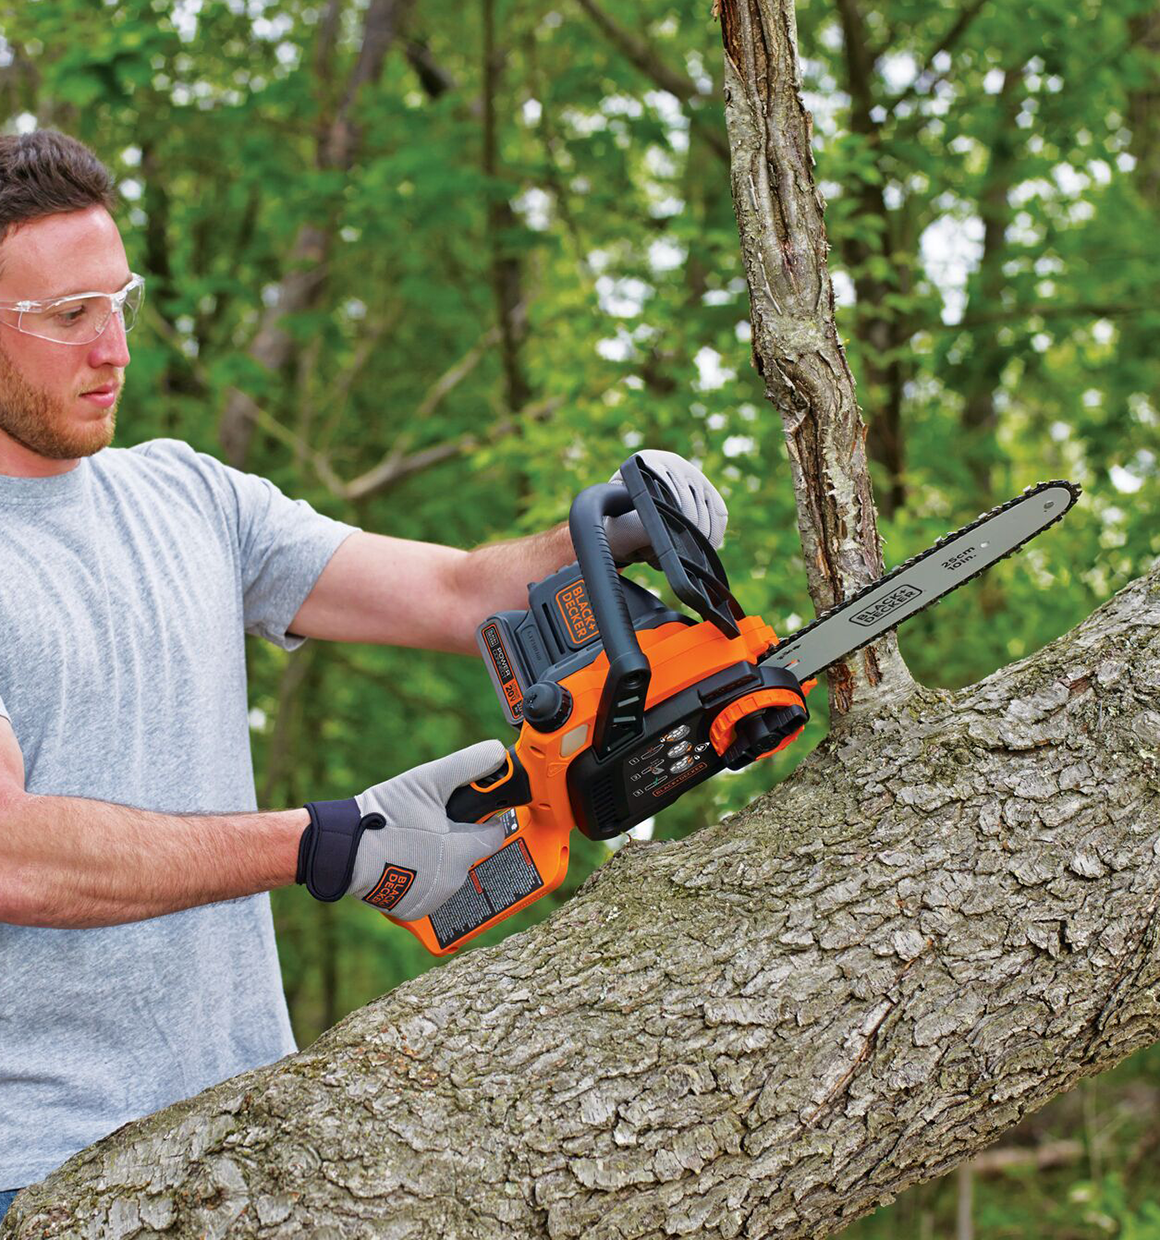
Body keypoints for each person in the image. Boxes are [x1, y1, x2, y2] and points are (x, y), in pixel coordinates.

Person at [0, 130, 731, 1214]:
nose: (113, 348)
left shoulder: (188, 497)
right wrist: (322, 841)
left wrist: (611, 531)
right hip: (38, 1171)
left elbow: (450, 594)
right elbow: (16, 858)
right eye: (68, 317)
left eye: (122, 302)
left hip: (238, 1143)